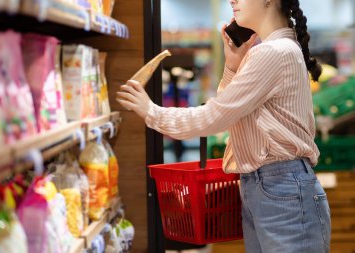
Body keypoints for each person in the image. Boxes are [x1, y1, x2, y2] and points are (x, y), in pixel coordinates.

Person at [117, 0, 331, 252]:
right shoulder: (275, 50)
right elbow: (230, 111)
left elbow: (216, 116)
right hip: (270, 188)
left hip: (281, 189)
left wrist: (151, 111)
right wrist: (232, 66)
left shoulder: (274, 52)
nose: (232, 0)